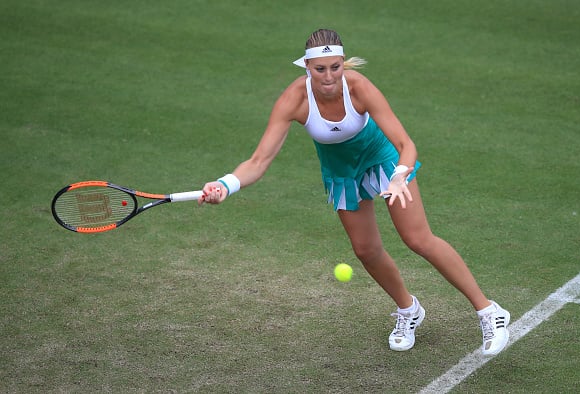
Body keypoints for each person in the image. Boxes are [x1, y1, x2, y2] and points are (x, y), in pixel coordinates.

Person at [199, 29, 510, 356]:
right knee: (365, 250)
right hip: (342, 173)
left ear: (343, 63)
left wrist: (400, 175)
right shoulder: (294, 99)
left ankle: (489, 311)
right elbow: (258, 160)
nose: (329, 76)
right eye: (320, 69)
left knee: (417, 239)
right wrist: (225, 185)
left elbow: (406, 145)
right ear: (306, 67)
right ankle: (409, 310)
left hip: (385, 161)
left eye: (336, 66)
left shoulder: (359, 88)